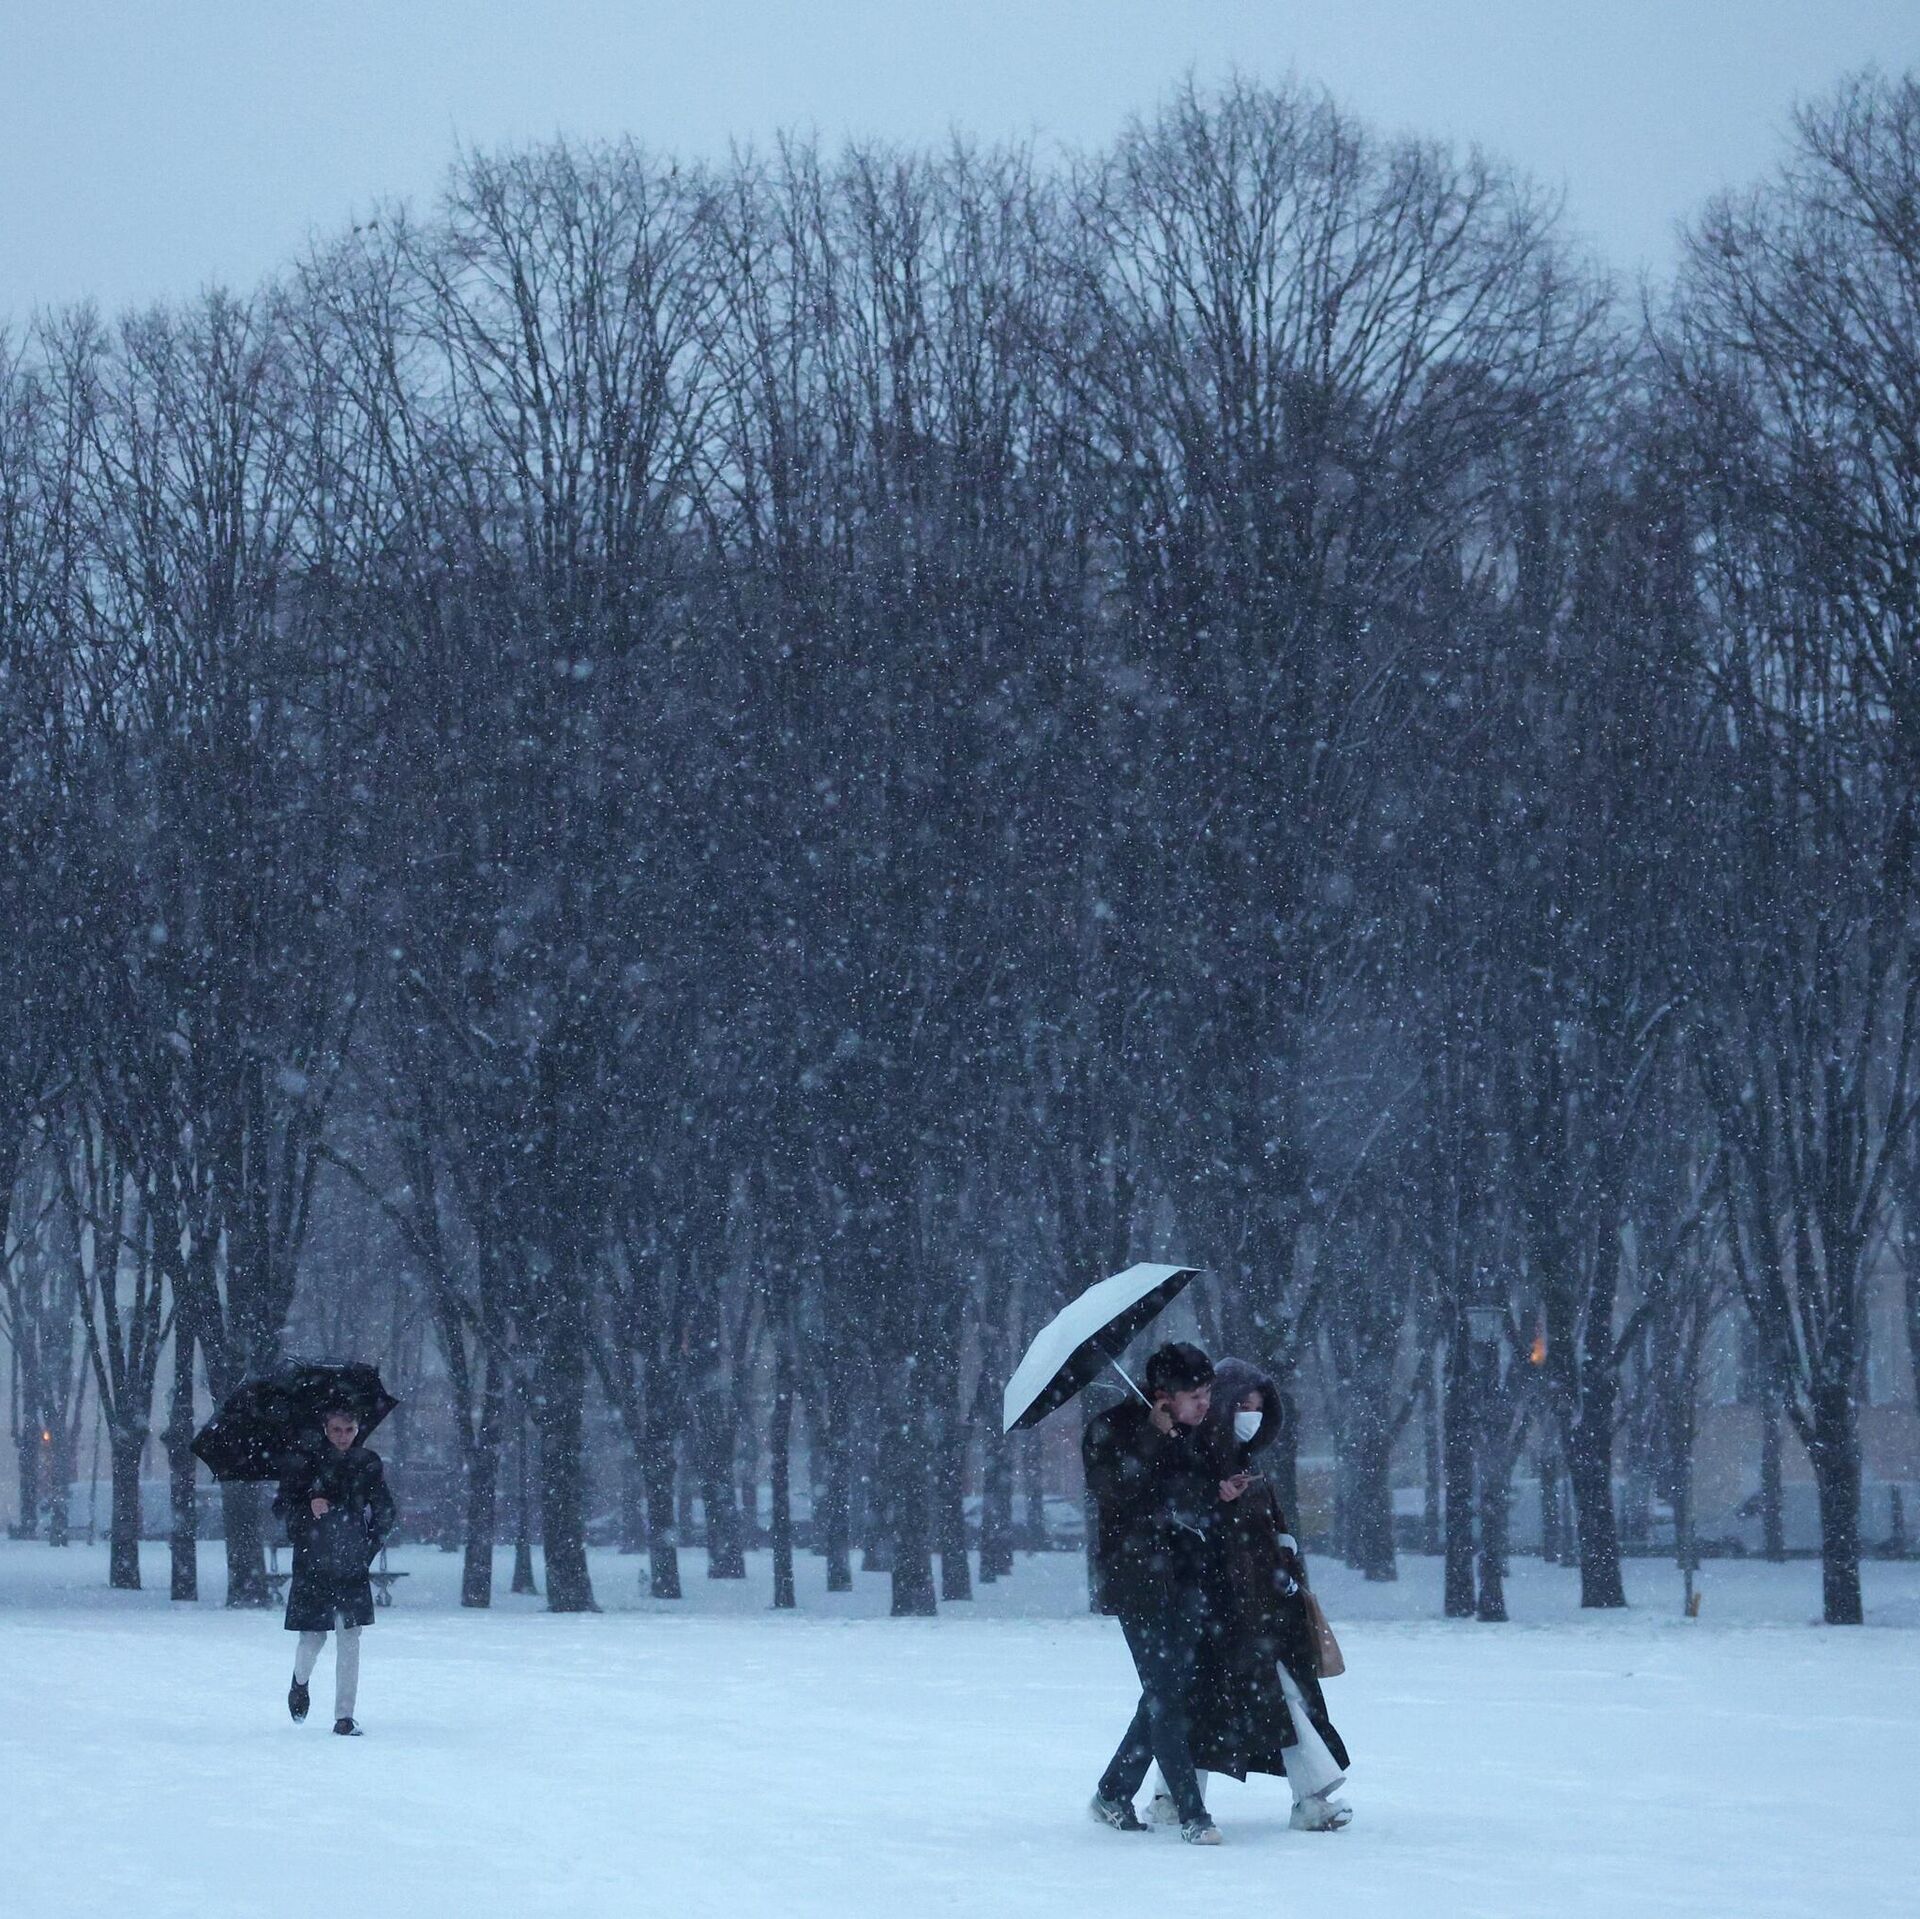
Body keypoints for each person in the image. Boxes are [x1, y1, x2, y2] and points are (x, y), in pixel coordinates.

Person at [1149, 1358, 1353, 1832]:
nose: (1251, 1416)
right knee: (1213, 1703)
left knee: (1263, 1700)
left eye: (1258, 1407)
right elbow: (1186, 1526)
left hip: (1259, 1610)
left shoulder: (1245, 1463)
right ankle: (1174, 1797)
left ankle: (1175, 1797)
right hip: (1218, 1611)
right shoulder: (1196, 1460)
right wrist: (1216, 1504)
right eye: (1242, 1406)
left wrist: (1283, 1560)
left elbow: (1269, 1529)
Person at [1083, 1340, 1227, 1845]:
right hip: (1137, 1580)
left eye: (1208, 1394)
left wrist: (1219, 1490)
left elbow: (1191, 1495)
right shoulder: (1109, 1428)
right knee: (1165, 1694)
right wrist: (1150, 1437)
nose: (1205, 1405)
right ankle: (1192, 1813)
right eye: (1196, 1396)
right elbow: (1113, 1491)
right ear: (1164, 1396)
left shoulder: (1192, 1434)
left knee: (1169, 1689)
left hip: (1187, 1575)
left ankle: (1112, 1791)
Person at [273, 1404, 397, 1737]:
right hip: (313, 1562)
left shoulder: (367, 1463)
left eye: (349, 1429)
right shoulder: (304, 1463)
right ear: (325, 1429)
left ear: (357, 1430)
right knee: (313, 1638)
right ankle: (300, 1681)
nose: (343, 1436)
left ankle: (344, 1716)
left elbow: (385, 1511)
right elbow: (282, 1510)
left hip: (350, 1565)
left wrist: (366, 1549)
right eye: (337, 1430)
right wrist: (309, 1507)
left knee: (350, 1637)